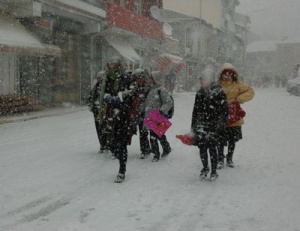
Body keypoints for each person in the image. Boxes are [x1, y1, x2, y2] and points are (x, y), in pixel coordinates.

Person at [99, 56, 137, 183]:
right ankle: (119, 157)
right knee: (111, 144)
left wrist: (121, 97)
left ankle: (122, 170)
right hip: (111, 115)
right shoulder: (107, 77)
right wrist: (106, 98)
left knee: (122, 144)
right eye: (109, 64)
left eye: (113, 64)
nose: (111, 67)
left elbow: (133, 92)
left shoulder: (126, 77)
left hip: (123, 116)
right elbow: (102, 92)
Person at [191, 68, 228, 180]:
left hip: (214, 125)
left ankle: (214, 171)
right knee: (202, 148)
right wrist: (193, 127)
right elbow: (195, 111)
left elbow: (224, 111)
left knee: (212, 148)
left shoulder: (219, 92)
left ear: (211, 80)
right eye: (201, 80)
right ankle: (205, 168)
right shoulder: (199, 93)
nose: (202, 82)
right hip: (201, 125)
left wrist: (220, 125)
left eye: (204, 80)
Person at [217, 63, 255, 169]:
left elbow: (250, 91)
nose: (228, 76)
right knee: (220, 139)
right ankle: (220, 158)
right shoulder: (217, 85)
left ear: (233, 74)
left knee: (232, 140)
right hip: (220, 117)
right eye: (225, 73)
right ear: (221, 74)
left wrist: (239, 99)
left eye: (230, 73)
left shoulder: (238, 85)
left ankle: (229, 158)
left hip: (234, 118)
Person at [144, 71, 172, 162]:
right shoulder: (150, 89)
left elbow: (168, 102)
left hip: (157, 116)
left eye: (151, 78)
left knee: (155, 135)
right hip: (150, 116)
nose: (149, 80)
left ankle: (157, 154)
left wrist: (161, 111)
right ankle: (165, 149)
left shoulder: (161, 90)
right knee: (157, 134)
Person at [130, 68, 152, 159]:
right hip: (140, 112)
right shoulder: (135, 87)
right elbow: (132, 97)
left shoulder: (149, 86)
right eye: (137, 78)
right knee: (142, 131)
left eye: (140, 77)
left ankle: (164, 147)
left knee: (155, 131)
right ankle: (144, 149)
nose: (139, 79)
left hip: (150, 111)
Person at [87, 71, 108, 153]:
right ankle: (102, 145)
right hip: (97, 112)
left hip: (105, 111)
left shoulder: (107, 87)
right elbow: (90, 99)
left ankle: (107, 144)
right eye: (98, 78)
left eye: (100, 78)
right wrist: (92, 107)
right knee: (99, 129)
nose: (99, 80)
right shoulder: (94, 89)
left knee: (106, 128)